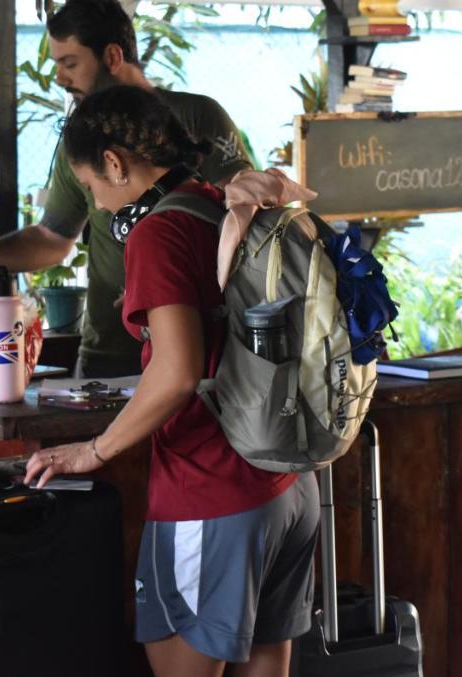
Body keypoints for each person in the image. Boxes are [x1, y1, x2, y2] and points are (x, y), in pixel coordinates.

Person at [23, 86, 317, 677]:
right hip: (287, 480)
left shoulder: (159, 232)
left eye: (91, 187)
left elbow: (178, 372)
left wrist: (93, 449)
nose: (101, 207)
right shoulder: (218, 205)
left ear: (114, 162)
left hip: (212, 487)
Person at [0, 0, 254, 378]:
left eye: (70, 62)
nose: (60, 78)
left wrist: (167, 290)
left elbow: (242, 212)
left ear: (112, 56)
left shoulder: (197, 116)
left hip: (201, 350)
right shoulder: (82, 137)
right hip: (109, 350)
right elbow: (53, 238)